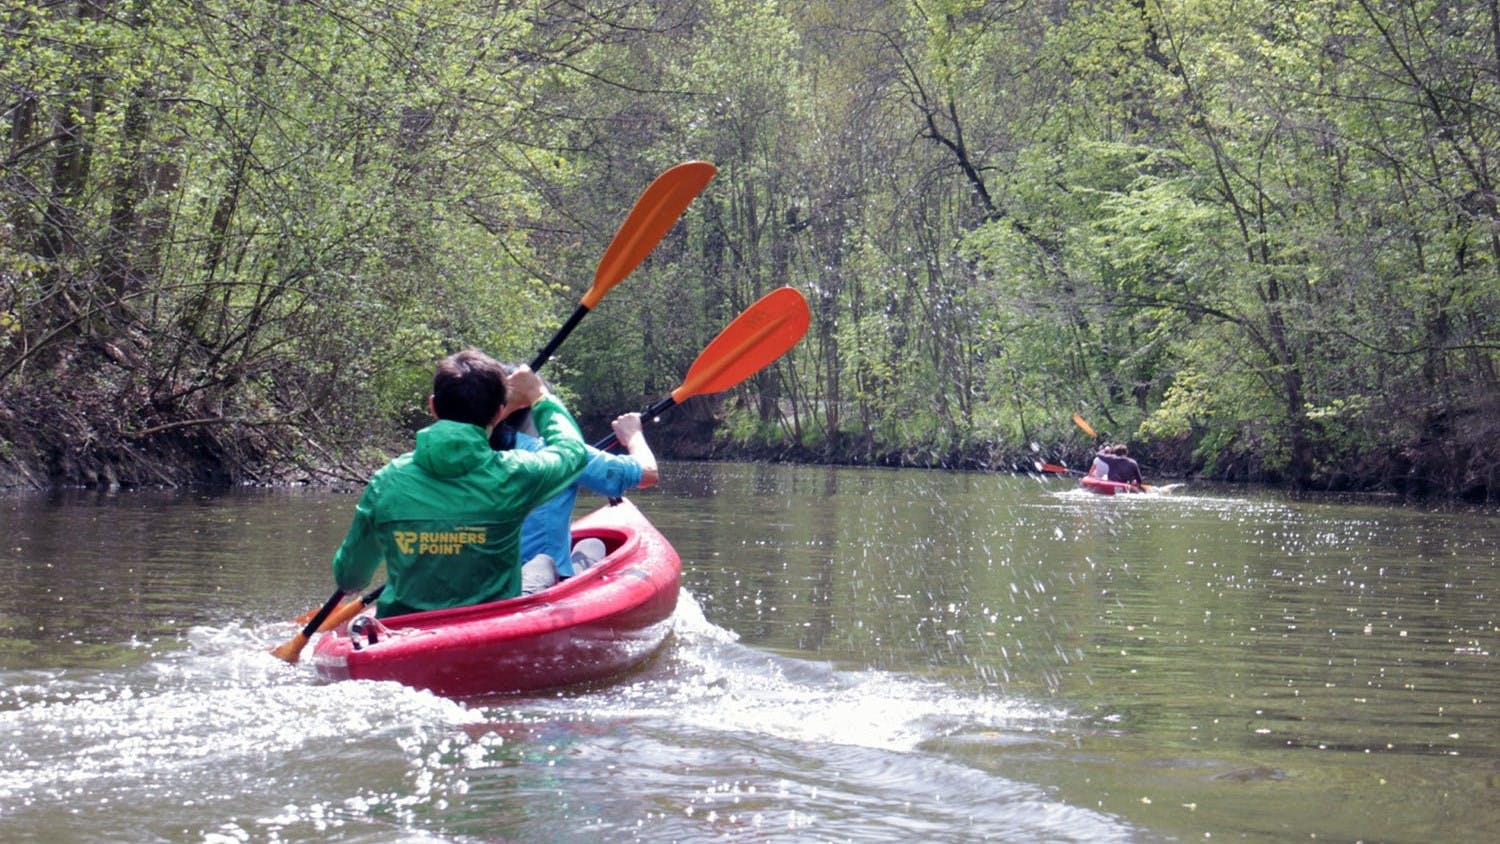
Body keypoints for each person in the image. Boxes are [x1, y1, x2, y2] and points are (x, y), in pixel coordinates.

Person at [329, 349, 590, 617]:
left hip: (403, 628)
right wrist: (540, 396)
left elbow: (350, 579)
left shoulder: (386, 481)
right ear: (499, 413)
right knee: (543, 564)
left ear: (432, 406)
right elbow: (573, 453)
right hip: (489, 626)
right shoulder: (515, 473)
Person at [514, 411, 659, 594]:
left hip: (486, 580)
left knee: (592, 545)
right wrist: (633, 435)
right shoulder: (561, 452)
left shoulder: (475, 454)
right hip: (539, 586)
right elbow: (649, 474)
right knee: (586, 549)